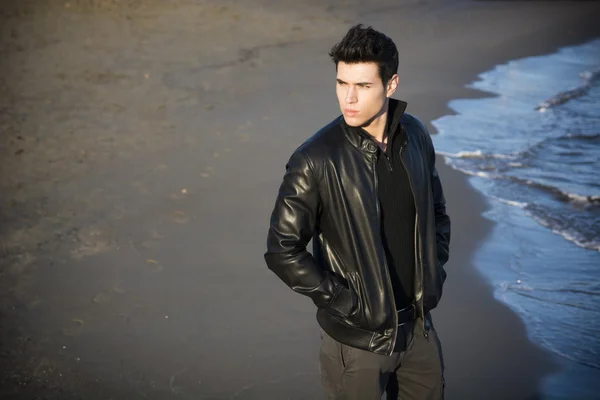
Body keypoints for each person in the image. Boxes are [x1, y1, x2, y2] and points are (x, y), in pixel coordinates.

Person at [264, 24, 451, 400]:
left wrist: (434, 268)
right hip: (358, 342)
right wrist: (346, 303)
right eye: (341, 83)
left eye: (363, 86)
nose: (348, 98)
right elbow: (282, 250)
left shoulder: (414, 137)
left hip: (418, 329)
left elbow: (438, 213)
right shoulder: (315, 159)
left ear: (391, 84)